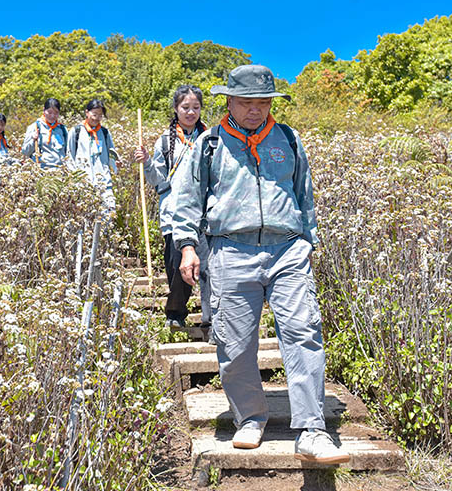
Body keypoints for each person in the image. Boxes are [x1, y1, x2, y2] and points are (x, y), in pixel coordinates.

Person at [172, 64, 349, 463]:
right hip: (229, 251)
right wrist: (187, 246)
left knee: (303, 332)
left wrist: (308, 241)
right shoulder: (210, 144)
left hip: (287, 250)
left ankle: (312, 429)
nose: (255, 110)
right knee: (235, 345)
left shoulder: (287, 137)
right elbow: (186, 201)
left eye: (263, 102)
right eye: (246, 102)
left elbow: (304, 193)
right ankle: (249, 417)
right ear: (229, 101)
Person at [134, 85, 211, 329]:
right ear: (176, 109)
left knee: (209, 270)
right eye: (185, 107)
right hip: (174, 212)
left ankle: (210, 319)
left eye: (196, 108)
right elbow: (159, 179)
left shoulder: (210, 138)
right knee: (177, 268)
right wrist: (147, 162)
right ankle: (176, 312)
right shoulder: (165, 141)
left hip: (205, 214)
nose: (191, 112)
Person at [66, 99, 119, 213]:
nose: (96, 118)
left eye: (100, 115)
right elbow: (69, 157)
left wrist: (116, 165)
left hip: (104, 184)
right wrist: (76, 179)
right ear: (87, 112)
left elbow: (112, 154)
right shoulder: (76, 131)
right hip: (83, 185)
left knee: (107, 217)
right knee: (85, 221)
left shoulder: (105, 132)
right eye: (94, 114)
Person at [21, 98, 68, 168]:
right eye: (49, 112)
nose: (52, 116)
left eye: (56, 113)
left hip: (60, 170)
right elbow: (25, 152)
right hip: (42, 170)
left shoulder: (62, 129)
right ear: (44, 110)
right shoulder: (35, 127)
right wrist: (33, 140)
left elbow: (68, 151)